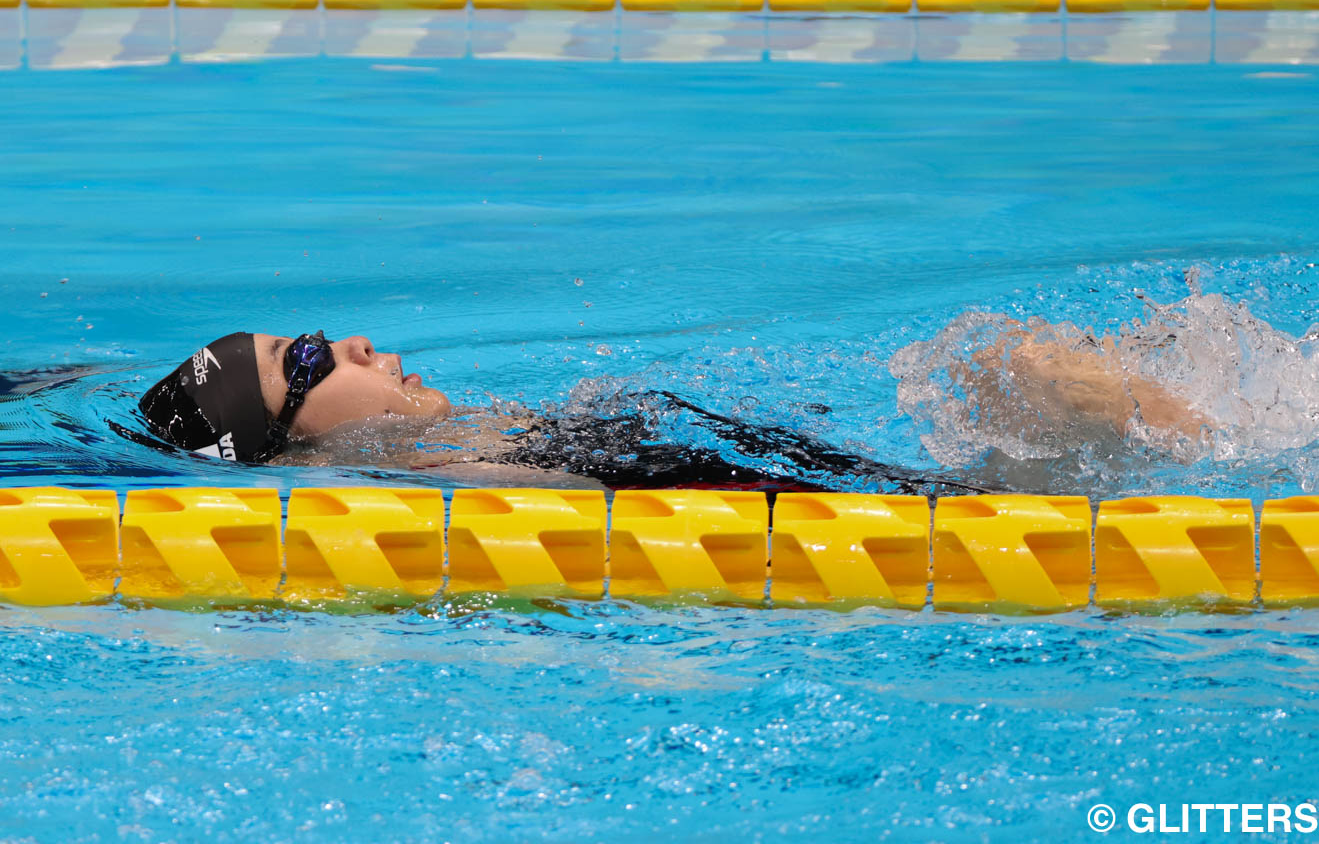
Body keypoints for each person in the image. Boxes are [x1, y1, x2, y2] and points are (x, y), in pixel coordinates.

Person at [136, 330, 992, 495]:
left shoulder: (468, 446)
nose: (354, 342)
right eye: (310, 362)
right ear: (291, 447)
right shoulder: (472, 483)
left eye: (317, 336)